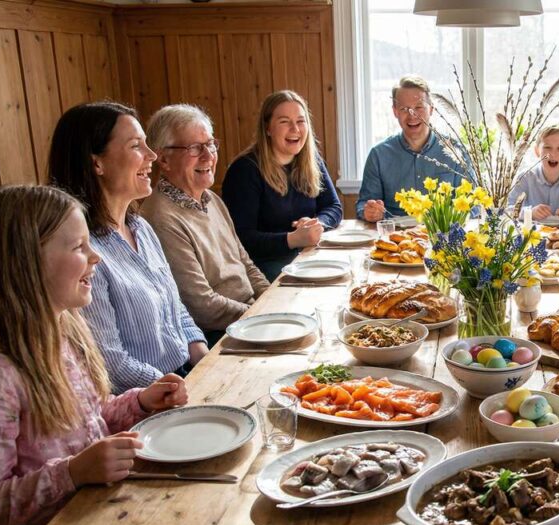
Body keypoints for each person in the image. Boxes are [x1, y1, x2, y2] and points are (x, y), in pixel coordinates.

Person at [0, 185, 188, 525]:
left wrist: (140, 401)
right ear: (24, 263)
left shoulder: (65, 331)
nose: (96, 257)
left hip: (94, 515)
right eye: (78, 247)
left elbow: (89, 418)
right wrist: (71, 473)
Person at [48, 102, 208, 393]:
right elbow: (111, 364)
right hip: (145, 401)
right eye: (137, 146)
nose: (152, 155)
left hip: (184, 378)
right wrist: (181, 390)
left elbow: (177, 310)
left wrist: (207, 365)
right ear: (96, 162)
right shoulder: (84, 254)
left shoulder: (142, 228)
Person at [141, 104, 271, 346]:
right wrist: (263, 317)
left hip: (250, 317)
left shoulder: (212, 199)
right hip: (219, 337)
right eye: (194, 148)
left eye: (210, 144)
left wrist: (274, 301)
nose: (209, 155)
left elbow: (246, 264)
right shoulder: (160, 217)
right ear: (164, 159)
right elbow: (202, 306)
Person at [221, 90, 342, 281]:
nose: (295, 129)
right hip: (263, 265)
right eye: (284, 122)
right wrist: (293, 239)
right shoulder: (244, 170)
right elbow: (241, 238)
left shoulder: (312, 160)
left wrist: (316, 223)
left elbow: (333, 207)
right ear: (267, 128)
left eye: (301, 121)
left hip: (306, 254)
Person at [357, 75, 466, 222]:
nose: (412, 115)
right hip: (394, 239)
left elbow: (473, 206)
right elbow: (363, 205)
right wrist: (369, 211)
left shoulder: (456, 152)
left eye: (419, 107)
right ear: (395, 112)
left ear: (431, 110)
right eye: (404, 109)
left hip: (443, 238)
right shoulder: (378, 155)